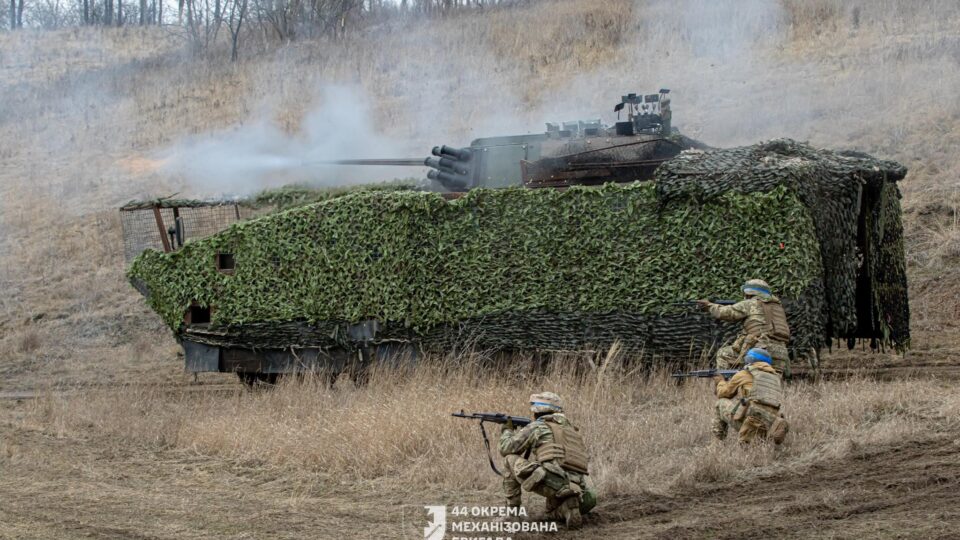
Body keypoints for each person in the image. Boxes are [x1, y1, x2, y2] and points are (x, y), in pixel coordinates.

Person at [498, 392, 597, 529]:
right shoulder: (573, 431)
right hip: (580, 489)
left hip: (553, 482)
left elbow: (506, 448)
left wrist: (507, 429)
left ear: (538, 411)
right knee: (549, 513)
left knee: (509, 460)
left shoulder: (537, 427)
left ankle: (512, 514)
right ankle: (567, 508)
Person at [697, 278, 791, 373]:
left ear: (749, 292)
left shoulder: (750, 304)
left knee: (723, 354)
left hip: (759, 350)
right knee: (772, 382)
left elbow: (725, 313)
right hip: (781, 353)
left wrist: (709, 306)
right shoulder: (778, 308)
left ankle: (726, 385)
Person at [712, 348, 790, 444]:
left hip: (752, 420)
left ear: (750, 359)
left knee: (720, 403)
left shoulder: (744, 373)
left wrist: (720, 382)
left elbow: (724, 393)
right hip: (771, 423)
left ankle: (718, 441)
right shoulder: (776, 378)